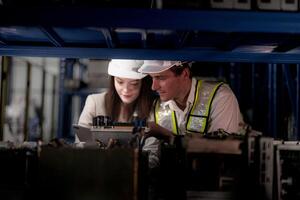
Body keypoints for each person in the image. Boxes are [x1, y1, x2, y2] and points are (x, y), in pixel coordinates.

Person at [77, 59, 159, 168]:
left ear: (142, 83)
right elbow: (81, 143)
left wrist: (129, 165)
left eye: (134, 84)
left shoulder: (151, 107)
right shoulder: (94, 102)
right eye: (120, 82)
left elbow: (152, 154)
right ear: (113, 80)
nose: (125, 90)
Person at [138, 60, 245, 140]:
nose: (154, 87)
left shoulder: (220, 96)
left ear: (185, 74)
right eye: (152, 78)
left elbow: (221, 152)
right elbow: (151, 157)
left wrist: (170, 138)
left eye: (161, 78)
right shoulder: (156, 105)